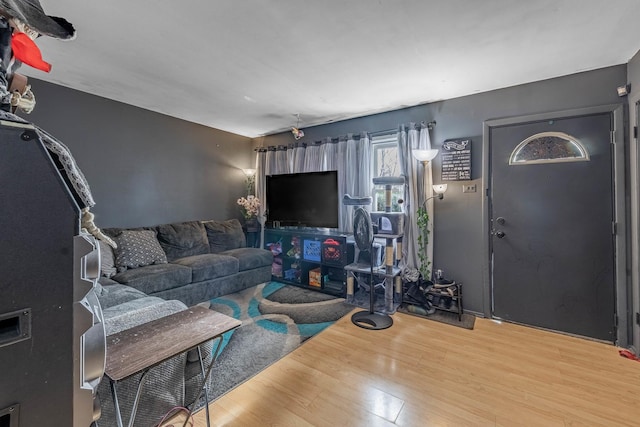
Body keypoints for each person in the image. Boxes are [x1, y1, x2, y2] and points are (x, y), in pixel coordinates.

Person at [0, 0, 115, 247]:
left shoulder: (12, 44)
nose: (35, 35)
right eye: (36, 29)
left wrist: (19, 99)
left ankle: (82, 217)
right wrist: (15, 98)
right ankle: (84, 217)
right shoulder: (3, 31)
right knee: (58, 153)